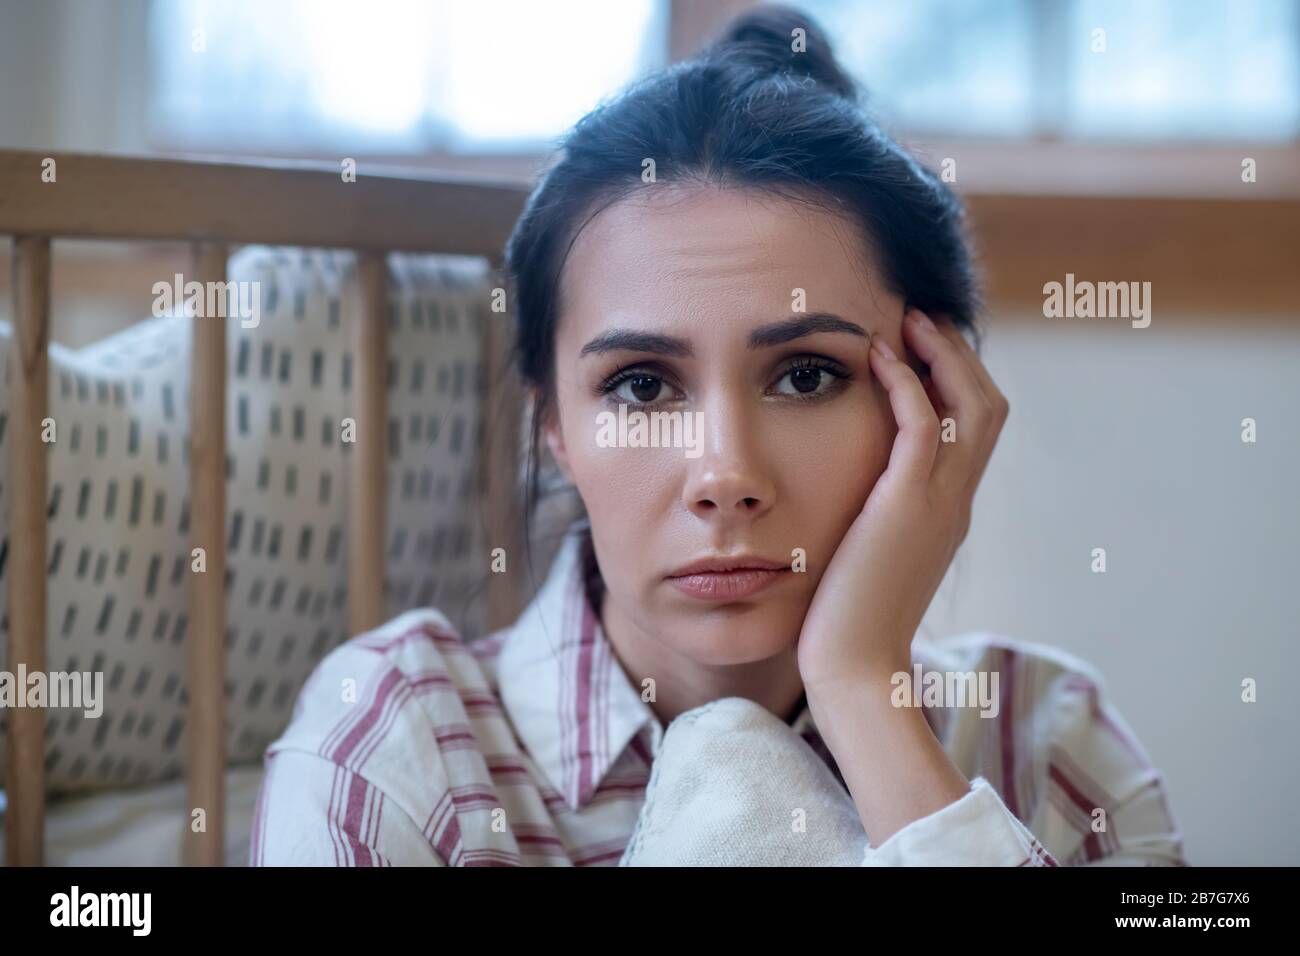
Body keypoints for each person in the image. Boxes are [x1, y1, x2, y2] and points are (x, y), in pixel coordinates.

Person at [251, 5, 1184, 866]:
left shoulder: (1047, 741)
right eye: (642, 385)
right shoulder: (392, 748)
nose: (726, 474)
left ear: (936, 401)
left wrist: (864, 692)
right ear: (553, 425)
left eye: (806, 375)